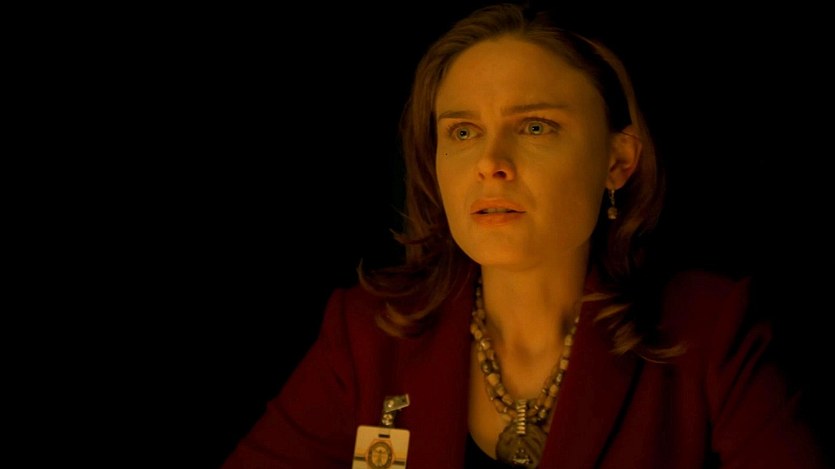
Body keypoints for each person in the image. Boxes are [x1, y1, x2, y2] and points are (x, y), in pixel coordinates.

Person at [221, 2, 828, 468]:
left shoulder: (711, 332)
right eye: (462, 132)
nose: (491, 163)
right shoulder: (366, 333)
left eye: (535, 126)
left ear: (618, 161)